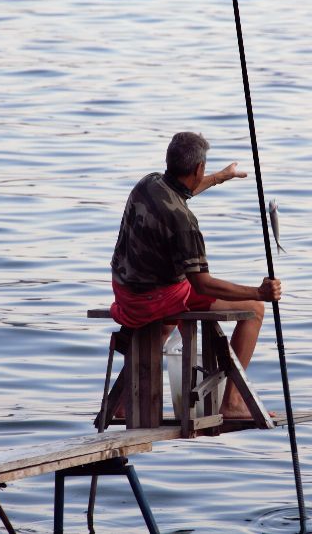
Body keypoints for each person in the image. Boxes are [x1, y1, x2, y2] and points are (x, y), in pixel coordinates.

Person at [110, 131, 281, 419]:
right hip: (151, 299)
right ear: (198, 168)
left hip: (125, 288)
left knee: (164, 327)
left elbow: (179, 195)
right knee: (254, 310)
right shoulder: (184, 222)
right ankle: (233, 402)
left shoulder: (149, 183)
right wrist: (258, 293)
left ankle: (124, 402)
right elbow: (202, 284)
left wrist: (220, 177)